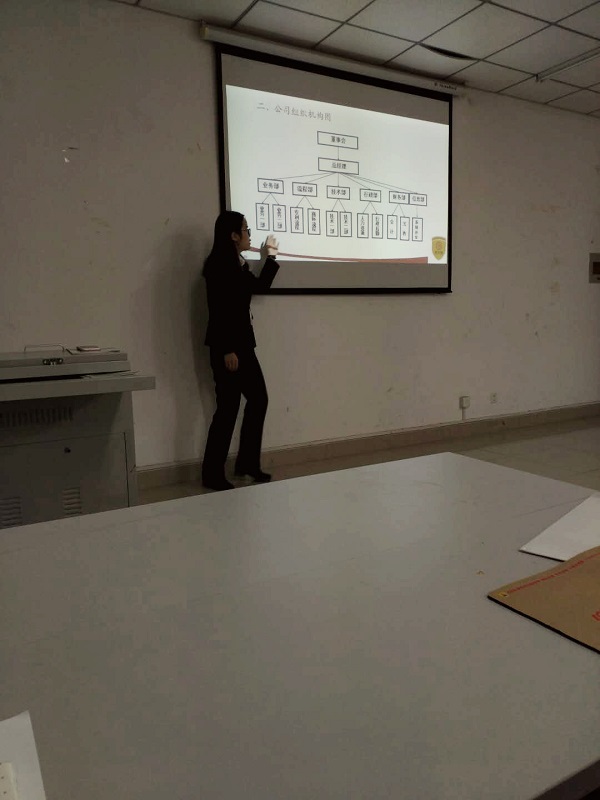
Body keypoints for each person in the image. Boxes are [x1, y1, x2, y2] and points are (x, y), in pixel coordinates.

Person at [201, 210, 280, 491]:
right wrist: (227, 350)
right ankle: (212, 474)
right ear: (234, 235)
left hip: (243, 347)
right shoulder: (218, 265)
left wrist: (269, 258)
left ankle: (246, 464)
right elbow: (219, 310)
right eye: (246, 230)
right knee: (228, 409)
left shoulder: (237, 264)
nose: (249, 235)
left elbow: (258, 287)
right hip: (230, 349)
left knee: (258, 399)